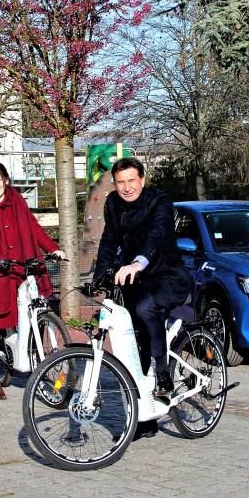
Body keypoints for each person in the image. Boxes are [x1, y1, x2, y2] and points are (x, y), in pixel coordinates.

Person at [93, 156, 192, 410]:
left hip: (166, 275)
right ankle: (141, 411)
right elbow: (109, 240)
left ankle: (163, 375)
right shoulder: (114, 202)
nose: (126, 187)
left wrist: (139, 262)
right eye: (120, 182)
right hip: (133, 276)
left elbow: (156, 236)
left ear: (143, 180)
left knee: (145, 308)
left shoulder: (159, 201)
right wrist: (99, 278)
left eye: (131, 181)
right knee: (131, 335)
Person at [0, 162, 65, 400]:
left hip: (21, 268)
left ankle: (37, 367)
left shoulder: (18, 201)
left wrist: (52, 249)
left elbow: (34, 228)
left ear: (6, 180)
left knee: (33, 318)